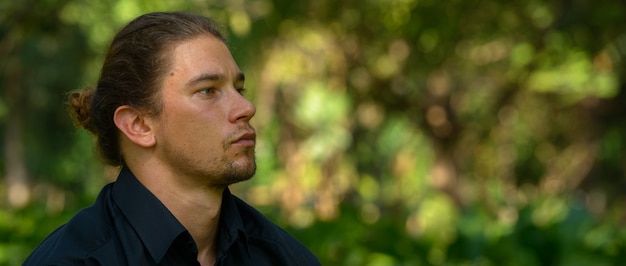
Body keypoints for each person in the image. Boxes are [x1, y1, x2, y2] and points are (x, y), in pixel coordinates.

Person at [25, 11, 320, 265]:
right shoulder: (73, 260)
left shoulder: (284, 257)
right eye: (207, 91)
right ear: (139, 125)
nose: (246, 108)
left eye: (238, 89)